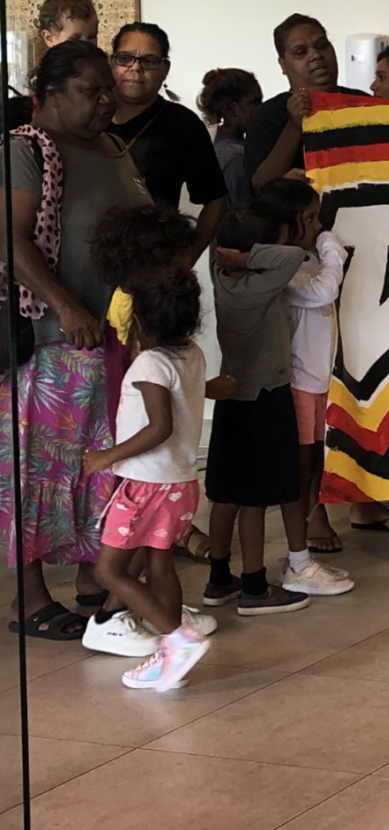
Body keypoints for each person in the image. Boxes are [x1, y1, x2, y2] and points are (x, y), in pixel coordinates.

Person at [2, 41, 147, 640]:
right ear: (52, 94)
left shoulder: (113, 148)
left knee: (102, 465)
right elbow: (10, 241)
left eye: (107, 89)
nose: (106, 100)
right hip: (51, 340)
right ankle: (31, 599)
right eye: (92, 90)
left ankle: (95, 585)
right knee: (39, 470)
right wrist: (66, 304)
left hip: (113, 337)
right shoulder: (25, 151)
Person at [203, 206, 354, 615]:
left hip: (233, 396)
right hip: (264, 397)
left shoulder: (221, 278)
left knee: (227, 494)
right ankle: (254, 588)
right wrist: (252, 257)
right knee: (254, 499)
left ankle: (219, 578)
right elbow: (289, 258)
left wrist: (234, 257)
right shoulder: (261, 284)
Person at [81, 270, 218, 690]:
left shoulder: (150, 363)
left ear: (139, 321)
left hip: (146, 486)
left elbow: (159, 427)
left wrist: (107, 456)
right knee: (159, 562)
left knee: (108, 571)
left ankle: (179, 641)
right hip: (179, 483)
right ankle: (170, 657)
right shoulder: (191, 354)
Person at [252, 179, 357, 548]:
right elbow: (322, 292)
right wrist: (332, 246)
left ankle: (315, 513)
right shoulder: (280, 267)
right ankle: (305, 525)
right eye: (310, 219)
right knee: (299, 460)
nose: (318, 226)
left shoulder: (307, 258)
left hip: (317, 378)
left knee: (314, 456)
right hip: (296, 379)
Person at [104, 23, 229, 261]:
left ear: (165, 69)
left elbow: (216, 200)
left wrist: (187, 259)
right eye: (125, 58)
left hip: (153, 263)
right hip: (82, 263)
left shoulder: (183, 125)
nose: (135, 68)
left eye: (149, 61)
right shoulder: (89, 115)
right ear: (112, 63)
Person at [244, 14, 368, 189]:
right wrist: (294, 126)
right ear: (283, 65)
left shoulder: (363, 102)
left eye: (322, 45)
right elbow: (259, 184)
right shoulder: (269, 114)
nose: (316, 55)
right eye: (301, 52)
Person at [198, 68, 264, 204]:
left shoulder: (214, 149)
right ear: (230, 109)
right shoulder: (237, 157)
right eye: (255, 102)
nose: (262, 109)